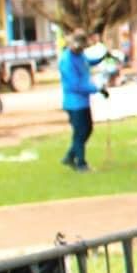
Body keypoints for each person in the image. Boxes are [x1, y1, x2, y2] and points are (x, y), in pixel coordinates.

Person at [58, 31, 103, 170]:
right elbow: (74, 84)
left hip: (83, 101)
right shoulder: (67, 60)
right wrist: (96, 89)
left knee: (87, 129)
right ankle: (80, 163)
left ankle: (70, 156)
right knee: (80, 132)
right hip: (74, 102)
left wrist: (102, 57)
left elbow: (87, 62)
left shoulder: (80, 55)